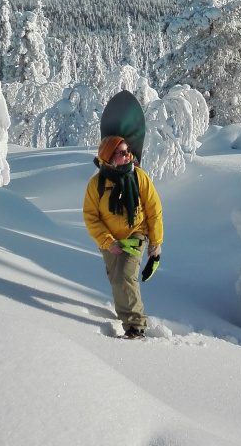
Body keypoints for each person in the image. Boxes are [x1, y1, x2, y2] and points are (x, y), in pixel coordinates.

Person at [83, 135, 163, 339]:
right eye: (122, 152)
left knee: (124, 276)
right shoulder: (96, 184)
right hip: (109, 240)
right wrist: (108, 242)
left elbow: (154, 210)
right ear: (109, 157)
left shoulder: (138, 177)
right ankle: (124, 314)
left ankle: (135, 326)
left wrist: (156, 243)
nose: (128, 155)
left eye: (128, 151)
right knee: (115, 279)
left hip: (135, 233)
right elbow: (91, 217)